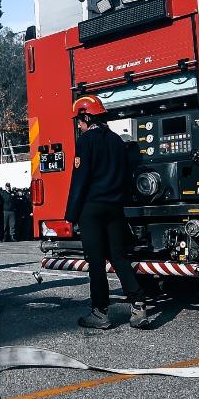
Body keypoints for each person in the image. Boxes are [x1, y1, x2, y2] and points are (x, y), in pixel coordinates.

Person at [64, 95, 158, 329]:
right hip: (115, 207)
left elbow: (80, 179)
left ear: (87, 117)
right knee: (119, 256)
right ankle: (138, 305)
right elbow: (126, 175)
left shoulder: (86, 141)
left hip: (92, 208)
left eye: (79, 120)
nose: (78, 125)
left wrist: (71, 214)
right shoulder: (117, 140)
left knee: (96, 262)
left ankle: (100, 312)